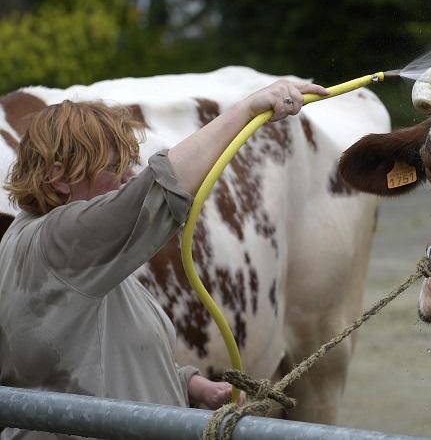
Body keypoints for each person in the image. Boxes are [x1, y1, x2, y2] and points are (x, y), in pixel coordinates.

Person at [0, 79, 328, 439]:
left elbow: (93, 360)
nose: (129, 178)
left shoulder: (53, 248)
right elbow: (158, 188)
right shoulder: (61, 241)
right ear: (60, 178)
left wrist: (190, 385)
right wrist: (247, 109)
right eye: (115, 168)